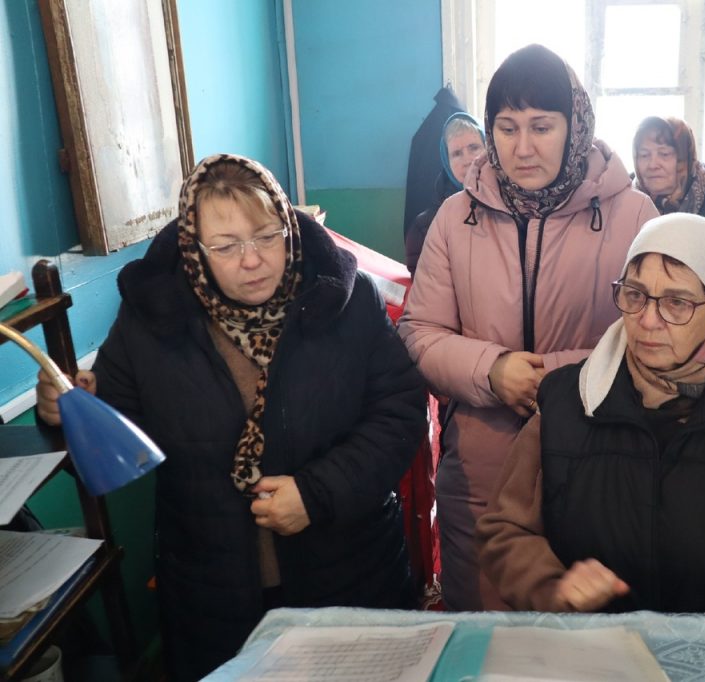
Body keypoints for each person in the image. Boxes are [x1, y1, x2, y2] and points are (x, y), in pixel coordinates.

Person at [35, 154, 425, 681]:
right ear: (195, 248)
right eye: (225, 246)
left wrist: (317, 494)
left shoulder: (343, 300)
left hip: (350, 572)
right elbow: (116, 430)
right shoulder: (151, 319)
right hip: (212, 594)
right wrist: (67, 409)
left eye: (266, 237)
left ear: (289, 229)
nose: (252, 260)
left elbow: (399, 410)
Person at [478, 213, 705, 681]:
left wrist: (698, 650)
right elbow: (505, 529)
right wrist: (553, 586)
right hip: (593, 666)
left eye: (676, 302)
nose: (648, 320)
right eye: (635, 294)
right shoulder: (567, 404)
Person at [398, 44, 659, 610]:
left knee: (582, 635)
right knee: (485, 636)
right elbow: (419, 333)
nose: (522, 148)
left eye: (541, 127)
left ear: (574, 126)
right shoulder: (455, 217)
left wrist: (550, 379)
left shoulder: (634, 216)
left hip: (600, 464)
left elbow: (654, 344)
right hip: (481, 475)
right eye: (507, 127)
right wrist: (491, 370)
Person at [405, 112, 486, 276]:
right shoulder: (425, 227)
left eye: (474, 148)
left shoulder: (516, 208)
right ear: (447, 162)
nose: (467, 160)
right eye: (456, 153)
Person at [633, 115, 705, 217]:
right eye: (644, 155)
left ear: (685, 158)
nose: (652, 165)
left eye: (664, 154)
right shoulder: (625, 199)